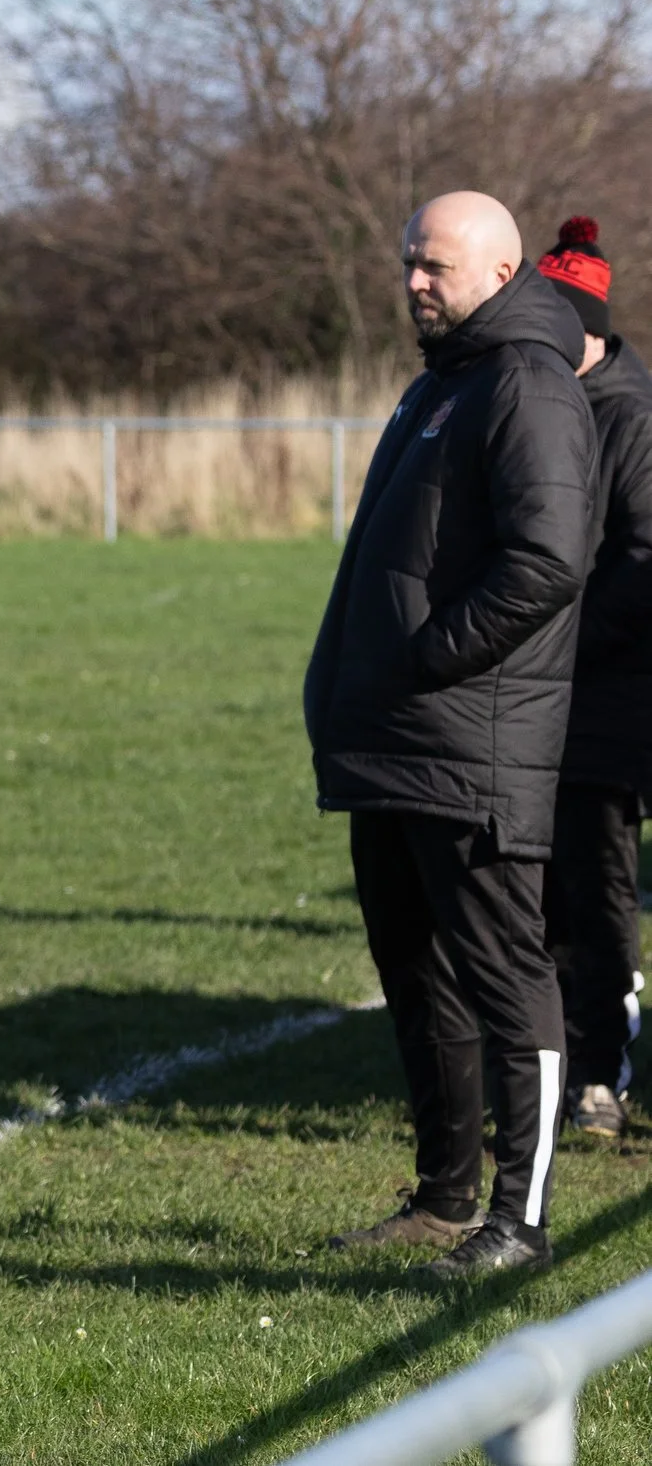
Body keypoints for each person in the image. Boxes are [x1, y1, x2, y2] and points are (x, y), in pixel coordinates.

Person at [305, 191, 596, 1279]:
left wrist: (428, 657)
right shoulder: (448, 381)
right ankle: (439, 1200)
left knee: (502, 974)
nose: (413, 282)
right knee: (414, 971)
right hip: (395, 744)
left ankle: (515, 1226)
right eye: (405, 265)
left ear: (501, 267)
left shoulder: (523, 383)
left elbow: (546, 560)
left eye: (432, 266)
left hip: (466, 742)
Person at [535, 216, 650, 1140]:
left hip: (607, 701)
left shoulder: (632, 416)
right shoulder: (542, 400)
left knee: (597, 890)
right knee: (538, 892)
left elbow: (643, 554)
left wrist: (560, 639)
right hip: (539, 694)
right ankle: (547, 1063)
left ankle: (601, 1072)